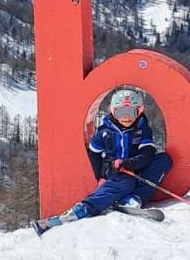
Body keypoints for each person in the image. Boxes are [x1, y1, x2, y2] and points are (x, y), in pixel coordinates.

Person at [32, 87, 174, 234]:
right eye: (120, 112)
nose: (126, 117)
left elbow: (148, 153)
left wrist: (131, 163)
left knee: (163, 160)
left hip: (136, 165)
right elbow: (94, 153)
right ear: (113, 111)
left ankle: (132, 198)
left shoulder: (142, 129)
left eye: (131, 112)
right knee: (126, 181)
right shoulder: (105, 132)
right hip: (116, 169)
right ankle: (83, 209)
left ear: (139, 111)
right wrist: (100, 176)